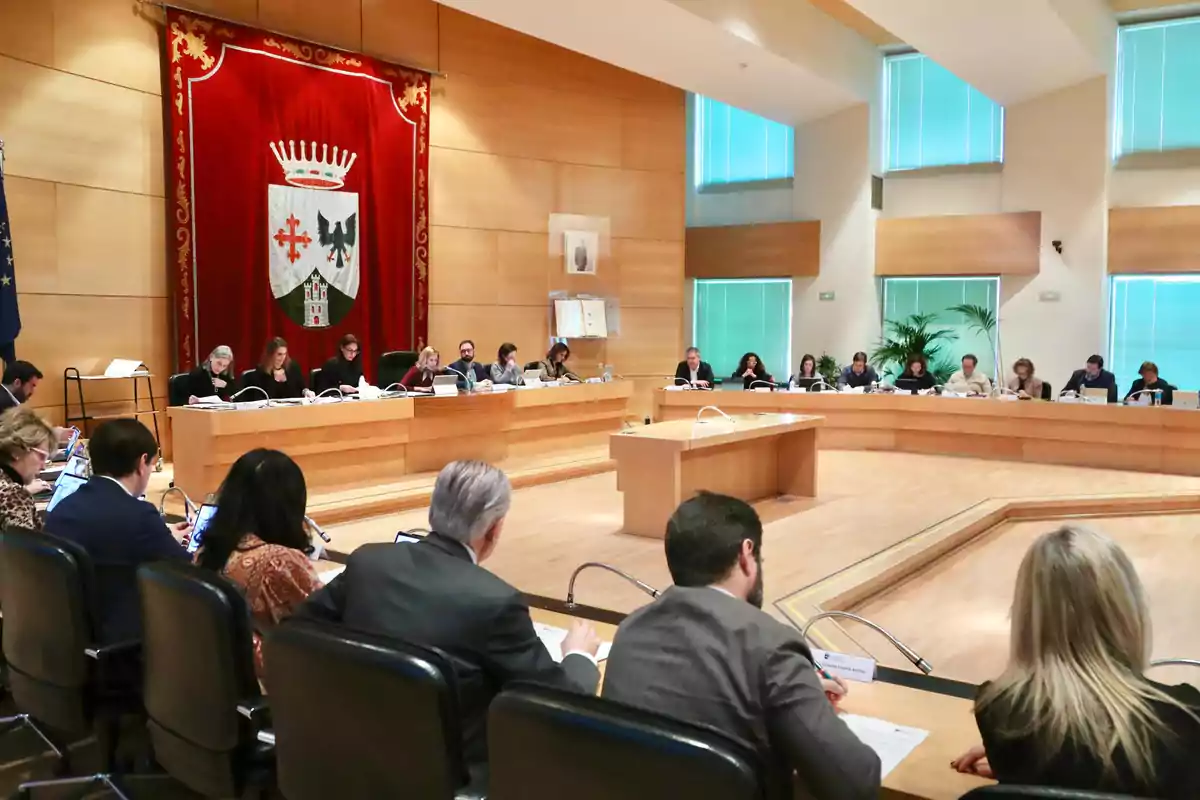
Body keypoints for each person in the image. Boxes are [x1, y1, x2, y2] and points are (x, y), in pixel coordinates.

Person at [298, 461, 601, 781]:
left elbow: (301, 631)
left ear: (434, 508)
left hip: (352, 760)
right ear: (494, 529)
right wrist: (579, 656)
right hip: (449, 780)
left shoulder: (367, 562)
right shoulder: (496, 602)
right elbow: (563, 704)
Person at [603, 492, 881, 800]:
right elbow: (855, 783)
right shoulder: (771, 644)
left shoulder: (630, 631)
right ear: (746, 553)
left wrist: (797, 692)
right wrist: (804, 701)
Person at [952, 525, 1200, 797]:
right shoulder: (1187, 713)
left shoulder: (996, 711)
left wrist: (1012, 768)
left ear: (1027, 613)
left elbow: (1074, 774)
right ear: (1127, 609)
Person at [45, 419, 190, 644]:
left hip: (66, 641)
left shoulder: (63, 508)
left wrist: (162, 535)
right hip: (122, 646)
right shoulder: (139, 515)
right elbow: (189, 573)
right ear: (142, 463)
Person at [196, 449, 322, 679]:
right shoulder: (279, 562)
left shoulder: (206, 552)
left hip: (213, 688)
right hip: (284, 693)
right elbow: (329, 627)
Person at [0, 406, 55, 531]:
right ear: (16, 450)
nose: (43, 466)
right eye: (41, 456)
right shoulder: (12, 494)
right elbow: (27, 549)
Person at [243, 337, 309, 400]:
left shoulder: (292, 367)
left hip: (294, 409)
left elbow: (302, 387)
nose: (283, 358)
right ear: (270, 355)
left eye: (285, 354)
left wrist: (306, 391)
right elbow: (261, 397)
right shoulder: (261, 373)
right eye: (279, 354)